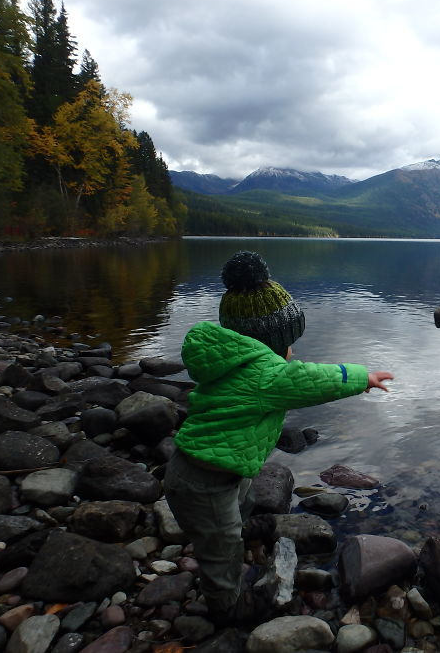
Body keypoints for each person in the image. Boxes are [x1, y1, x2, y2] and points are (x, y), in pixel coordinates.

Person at [163, 250, 393, 623]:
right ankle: (228, 606)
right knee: (220, 550)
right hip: (204, 483)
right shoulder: (265, 375)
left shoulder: (228, 362)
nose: (292, 351)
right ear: (269, 343)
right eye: (288, 344)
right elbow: (309, 380)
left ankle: (242, 527)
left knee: (241, 498)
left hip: (208, 467)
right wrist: (360, 377)